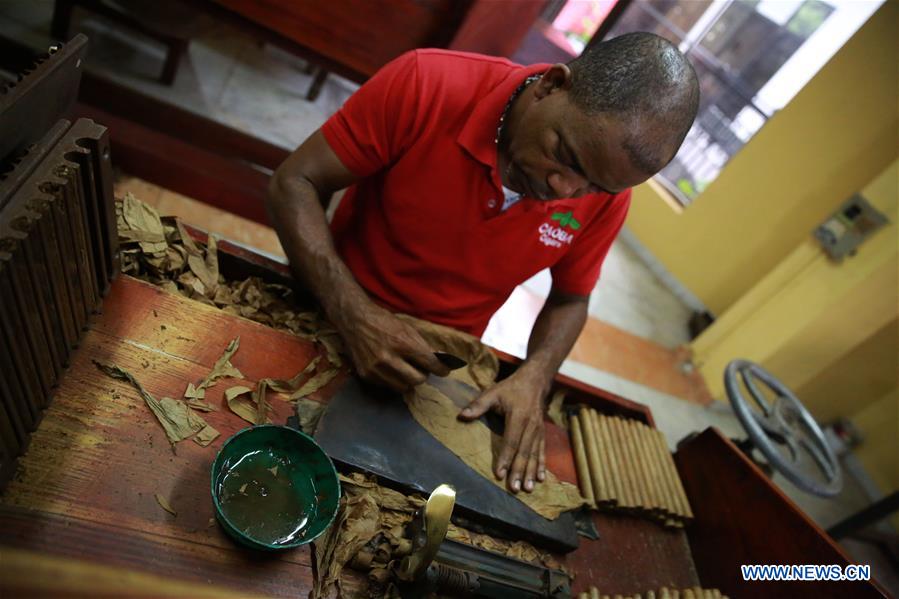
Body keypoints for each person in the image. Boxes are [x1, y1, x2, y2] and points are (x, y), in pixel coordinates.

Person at [266, 32, 699, 496]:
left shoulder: (605, 197)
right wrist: (353, 314)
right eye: (565, 156)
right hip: (329, 306)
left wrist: (536, 374)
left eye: (595, 186)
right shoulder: (427, 83)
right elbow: (295, 182)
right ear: (551, 85)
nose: (564, 190)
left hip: (439, 361)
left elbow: (571, 298)